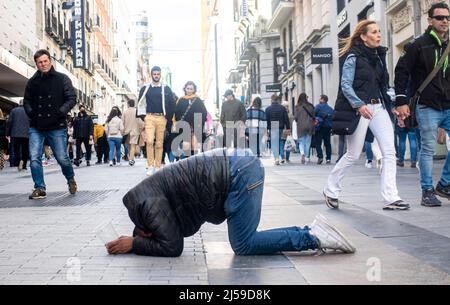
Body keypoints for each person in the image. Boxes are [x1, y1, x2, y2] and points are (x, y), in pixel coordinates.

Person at [105, 148, 356, 257]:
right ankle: (312, 233)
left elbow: (172, 246)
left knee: (244, 244)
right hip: (239, 167)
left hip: (239, 174)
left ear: (146, 230)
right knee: (244, 242)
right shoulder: (146, 197)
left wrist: (135, 244)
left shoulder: (149, 207)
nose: (160, 232)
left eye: (152, 237)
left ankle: (313, 237)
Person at [323, 20, 408, 211]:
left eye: (379, 32)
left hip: (378, 108)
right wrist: (359, 104)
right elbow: (346, 85)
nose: (379, 35)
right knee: (353, 154)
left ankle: (391, 197)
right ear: (363, 36)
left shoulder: (379, 56)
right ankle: (331, 190)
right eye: (374, 32)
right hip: (360, 109)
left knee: (389, 151)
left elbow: (383, 86)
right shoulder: (353, 57)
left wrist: (393, 106)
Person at [395, 2, 450, 207]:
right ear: (430, 20)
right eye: (440, 18)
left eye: (447, 18)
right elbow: (401, 71)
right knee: (427, 148)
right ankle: (427, 190)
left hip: (448, 104)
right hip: (427, 105)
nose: (445, 21)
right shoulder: (418, 44)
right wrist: (401, 100)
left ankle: (444, 184)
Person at [23, 49, 77, 199]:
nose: (43, 64)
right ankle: (39, 187)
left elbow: (72, 98)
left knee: (62, 158)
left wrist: (60, 112)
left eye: (45, 61)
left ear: (50, 61)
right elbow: (26, 101)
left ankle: (70, 178)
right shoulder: (32, 82)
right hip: (36, 124)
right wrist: (31, 113)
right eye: (40, 62)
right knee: (34, 157)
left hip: (56, 124)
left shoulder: (62, 78)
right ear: (36, 64)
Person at [137, 66, 176, 175]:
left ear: (160, 75)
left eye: (158, 74)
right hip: (149, 117)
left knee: (159, 143)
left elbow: (172, 104)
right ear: (151, 75)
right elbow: (140, 102)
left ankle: (158, 166)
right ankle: (150, 165)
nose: (156, 76)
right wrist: (143, 117)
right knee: (149, 141)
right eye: (154, 74)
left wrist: (167, 118)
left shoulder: (166, 88)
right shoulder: (145, 88)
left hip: (161, 118)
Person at [173, 81, 207, 158]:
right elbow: (176, 113)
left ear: (194, 90)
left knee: (195, 146)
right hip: (184, 126)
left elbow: (204, 113)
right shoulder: (181, 100)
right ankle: (188, 164)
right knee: (186, 146)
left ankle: (195, 163)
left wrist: (199, 122)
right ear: (185, 89)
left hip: (196, 126)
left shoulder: (198, 100)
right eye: (188, 88)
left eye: (191, 89)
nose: (189, 90)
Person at [266, 95, 290, 165]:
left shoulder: (268, 109)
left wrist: (266, 129)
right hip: (280, 126)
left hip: (273, 126)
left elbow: (266, 120)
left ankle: (276, 158)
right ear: (278, 100)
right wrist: (288, 128)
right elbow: (286, 119)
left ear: (271, 100)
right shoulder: (282, 108)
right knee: (280, 141)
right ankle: (281, 156)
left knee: (274, 144)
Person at [6, 100, 30, 171]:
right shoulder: (28, 111)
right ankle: (24, 165)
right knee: (25, 149)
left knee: (16, 149)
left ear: (18, 104)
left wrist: (7, 133)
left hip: (15, 134)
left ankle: (19, 160)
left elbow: (9, 122)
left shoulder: (13, 110)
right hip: (26, 134)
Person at [294, 93, 315, 164]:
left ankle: (302, 152)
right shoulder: (311, 106)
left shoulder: (297, 107)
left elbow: (296, 117)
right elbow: (314, 116)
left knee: (301, 141)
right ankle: (307, 157)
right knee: (308, 142)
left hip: (300, 126)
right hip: (310, 125)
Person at [122, 100, 144, 166]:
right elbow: (141, 122)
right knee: (133, 145)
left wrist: (122, 131)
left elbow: (122, 122)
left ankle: (130, 158)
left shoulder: (125, 112)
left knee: (128, 146)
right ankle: (131, 159)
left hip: (126, 131)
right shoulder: (137, 111)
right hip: (135, 131)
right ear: (134, 104)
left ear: (128, 104)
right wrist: (140, 129)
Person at [314, 95, 334, 165]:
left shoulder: (318, 106)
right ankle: (328, 158)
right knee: (327, 144)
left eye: (320, 98)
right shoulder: (330, 109)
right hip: (328, 128)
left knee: (318, 143)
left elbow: (313, 114)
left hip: (319, 127)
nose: (319, 99)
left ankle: (320, 157)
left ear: (323, 99)